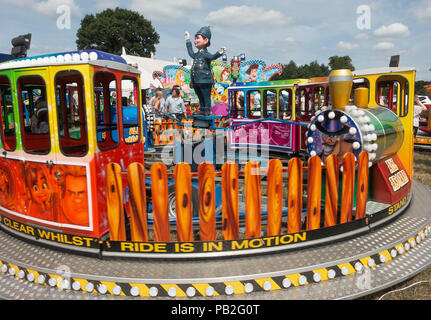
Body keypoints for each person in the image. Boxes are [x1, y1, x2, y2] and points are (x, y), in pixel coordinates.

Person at [185, 26, 226, 116]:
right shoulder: (196, 55)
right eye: (195, 39)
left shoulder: (206, 54)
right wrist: (188, 41)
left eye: (198, 38)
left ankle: (206, 110)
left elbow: (212, 57)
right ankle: (202, 109)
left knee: (205, 95)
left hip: (205, 79)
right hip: (196, 80)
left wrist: (220, 52)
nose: (195, 40)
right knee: (199, 95)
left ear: (205, 40)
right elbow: (190, 52)